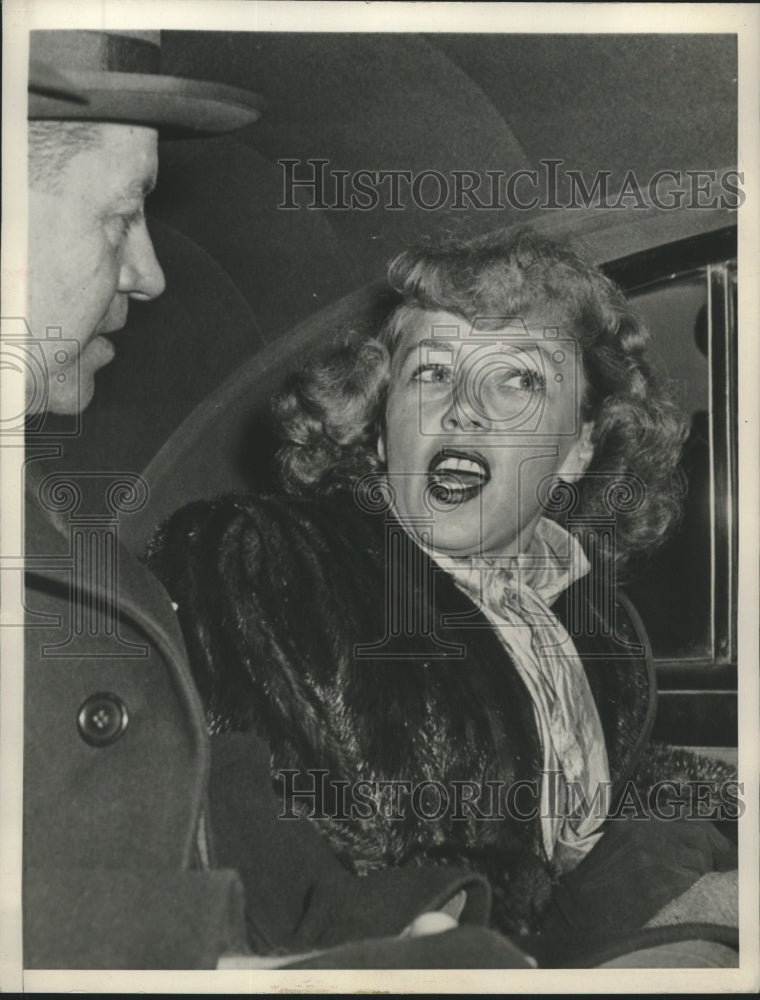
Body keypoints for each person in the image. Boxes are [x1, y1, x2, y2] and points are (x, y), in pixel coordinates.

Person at [19, 29, 540, 972]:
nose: (149, 271)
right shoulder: (264, 560)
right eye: (120, 215)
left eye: (520, 384)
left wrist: (389, 920)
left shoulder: (42, 509)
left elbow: (189, 786)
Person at [150, 229, 739, 962]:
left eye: (518, 380)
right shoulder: (264, 558)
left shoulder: (600, 630)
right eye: (431, 372)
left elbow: (586, 849)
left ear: (581, 445)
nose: (465, 409)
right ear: (381, 419)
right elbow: (289, 852)